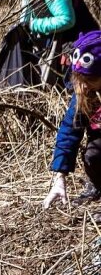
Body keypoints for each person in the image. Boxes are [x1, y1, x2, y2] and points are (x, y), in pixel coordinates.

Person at [42, 31, 101, 216]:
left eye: (90, 80)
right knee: (93, 155)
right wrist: (60, 176)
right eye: (80, 80)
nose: (83, 86)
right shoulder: (83, 94)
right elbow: (69, 131)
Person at [16, 0, 77, 88]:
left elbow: (67, 19)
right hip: (50, 50)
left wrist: (34, 25)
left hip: (72, 53)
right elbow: (24, 19)